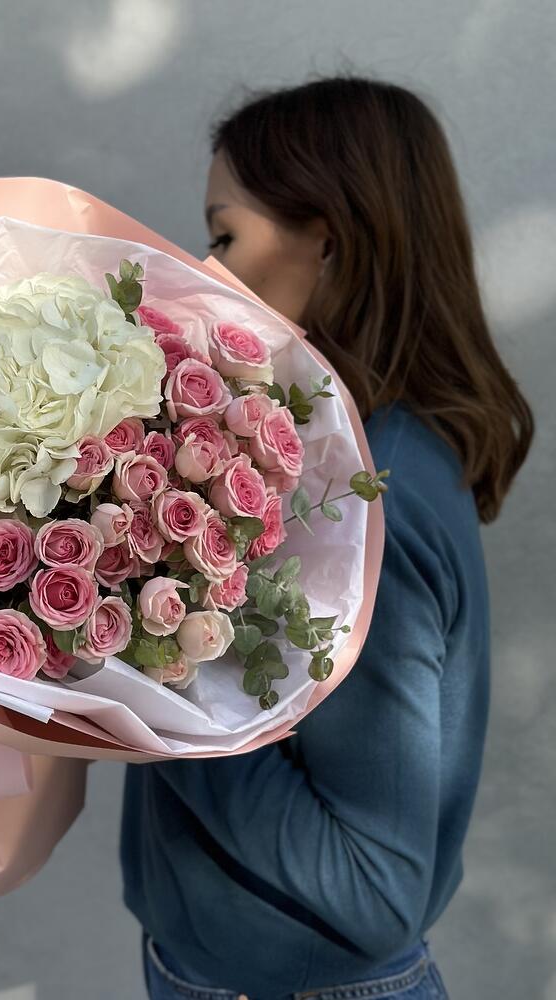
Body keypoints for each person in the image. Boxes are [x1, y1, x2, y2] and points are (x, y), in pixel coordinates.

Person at [119, 75, 534, 1000]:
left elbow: (374, 888)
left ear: (330, 242)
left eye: (225, 236)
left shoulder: (371, 494)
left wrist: (140, 675)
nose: (205, 269)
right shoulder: (321, 453)